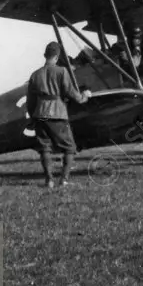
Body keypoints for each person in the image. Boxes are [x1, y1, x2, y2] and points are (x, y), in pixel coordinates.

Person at [26, 41, 91, 188]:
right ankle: (64, 180)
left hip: (40, 115)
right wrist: (84, 96)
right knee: (70, 148)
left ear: (45, 55)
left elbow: (30, 101)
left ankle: (49, 180)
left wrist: (32, 117)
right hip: (58, 113)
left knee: (45, 148)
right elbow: (70, 92)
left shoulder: (35, 75)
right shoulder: (62, 71)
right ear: (57, 57)